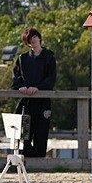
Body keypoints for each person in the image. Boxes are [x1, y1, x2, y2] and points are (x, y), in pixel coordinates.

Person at [11, 27, 57, 158]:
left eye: (35, 37)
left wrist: (38, 88)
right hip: (27, 101)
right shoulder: (22, 58)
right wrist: (20, 87)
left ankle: (39, 161)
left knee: (41, 132)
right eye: (30, 39)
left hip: (43, 101)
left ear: (39, 38)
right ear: (27, 43)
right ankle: (26, 160)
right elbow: (16, 76)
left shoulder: (49, 57)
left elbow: (51, 78)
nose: (33, 40)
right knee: (24, 132)